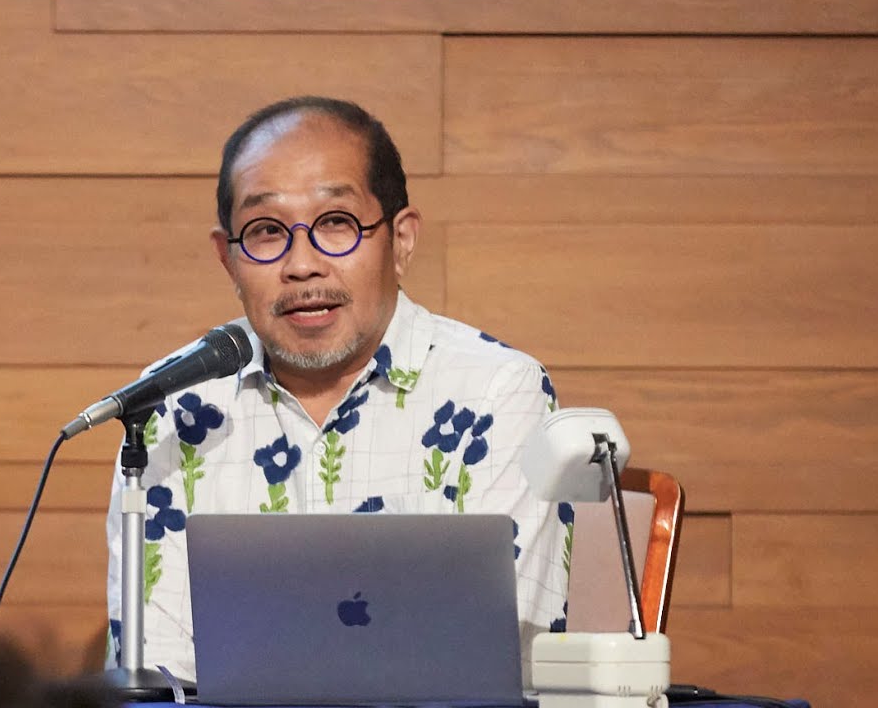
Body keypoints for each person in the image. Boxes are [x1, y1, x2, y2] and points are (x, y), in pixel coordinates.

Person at [106, 96, 571, 683]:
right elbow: (157, 675)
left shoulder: (497, 395)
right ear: (229, 260)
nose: (302, 265)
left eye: (336, 224)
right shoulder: (173, 407)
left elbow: (498, 666)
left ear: (401, 240)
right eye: (266, 231)